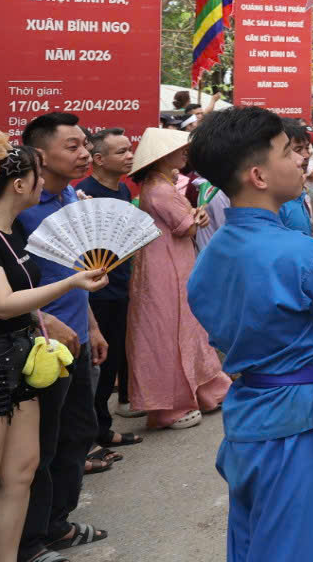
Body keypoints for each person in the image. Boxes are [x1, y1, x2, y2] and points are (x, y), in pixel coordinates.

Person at [187, 106, 313, 562]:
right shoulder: (299, 253)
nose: (302, 160)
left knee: (254, 541)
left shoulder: (213, 253)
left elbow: (242, 329)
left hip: (247, 416)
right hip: (296, 419)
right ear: (258, 175)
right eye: (287, 152)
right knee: (295, 547)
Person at [0, 134, 108, 562]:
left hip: (22, 363)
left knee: (21, 473)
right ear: (20, 184)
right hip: (2, 364)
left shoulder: (8, 233)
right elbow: (4, 305)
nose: (42, 182)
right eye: (35, 173)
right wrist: (72, 282)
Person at [126, 127, 231, 430]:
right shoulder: (160, 188)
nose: (185, 154)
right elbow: (186, 227)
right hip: (167, 266)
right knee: (173, 330)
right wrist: (196, 218)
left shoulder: (159, 183)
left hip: (169, 261)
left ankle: (200, 393)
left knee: (182, 328)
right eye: (180, 149)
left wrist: (195, 218)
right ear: (162, 156)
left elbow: (187, 223)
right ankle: (174, 405)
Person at [73, 129, 141, 457]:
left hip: (120, 288)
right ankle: (91, 437)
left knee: (111, 362)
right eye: (121, 152)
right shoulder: (83, 195)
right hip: (96, 294)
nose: (129, 156)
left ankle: (103, 428)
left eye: (130, 150)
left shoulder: (124, 190)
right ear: (98, 160)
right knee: (97, 369)